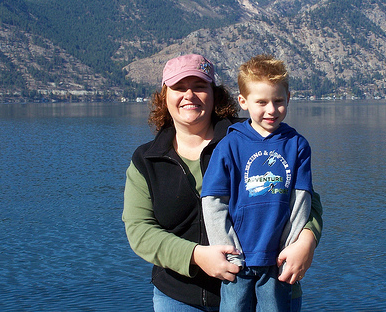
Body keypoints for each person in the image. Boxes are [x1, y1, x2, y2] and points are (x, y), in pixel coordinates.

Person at [122, 54, 322, 311]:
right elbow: (139, 230)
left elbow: (308, 200)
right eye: (179, 88)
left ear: (215, 94)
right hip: (182, 296)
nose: (190, 95)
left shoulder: (254, 136)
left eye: (200, 87)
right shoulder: (147, 159)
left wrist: (306, 240)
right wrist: (195, 256)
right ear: (164, 96)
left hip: (272, 285)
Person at [201, 55, 313, 311]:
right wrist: (229, 250)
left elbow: (301, 199)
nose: (271, 109)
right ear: (243, 102)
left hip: (277, 260)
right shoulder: (229, 145)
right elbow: (213, 200)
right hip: (237, 261)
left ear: (288, 99)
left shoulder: (297, 146)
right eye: (261, 102)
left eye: (278, 101)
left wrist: (290, 245)